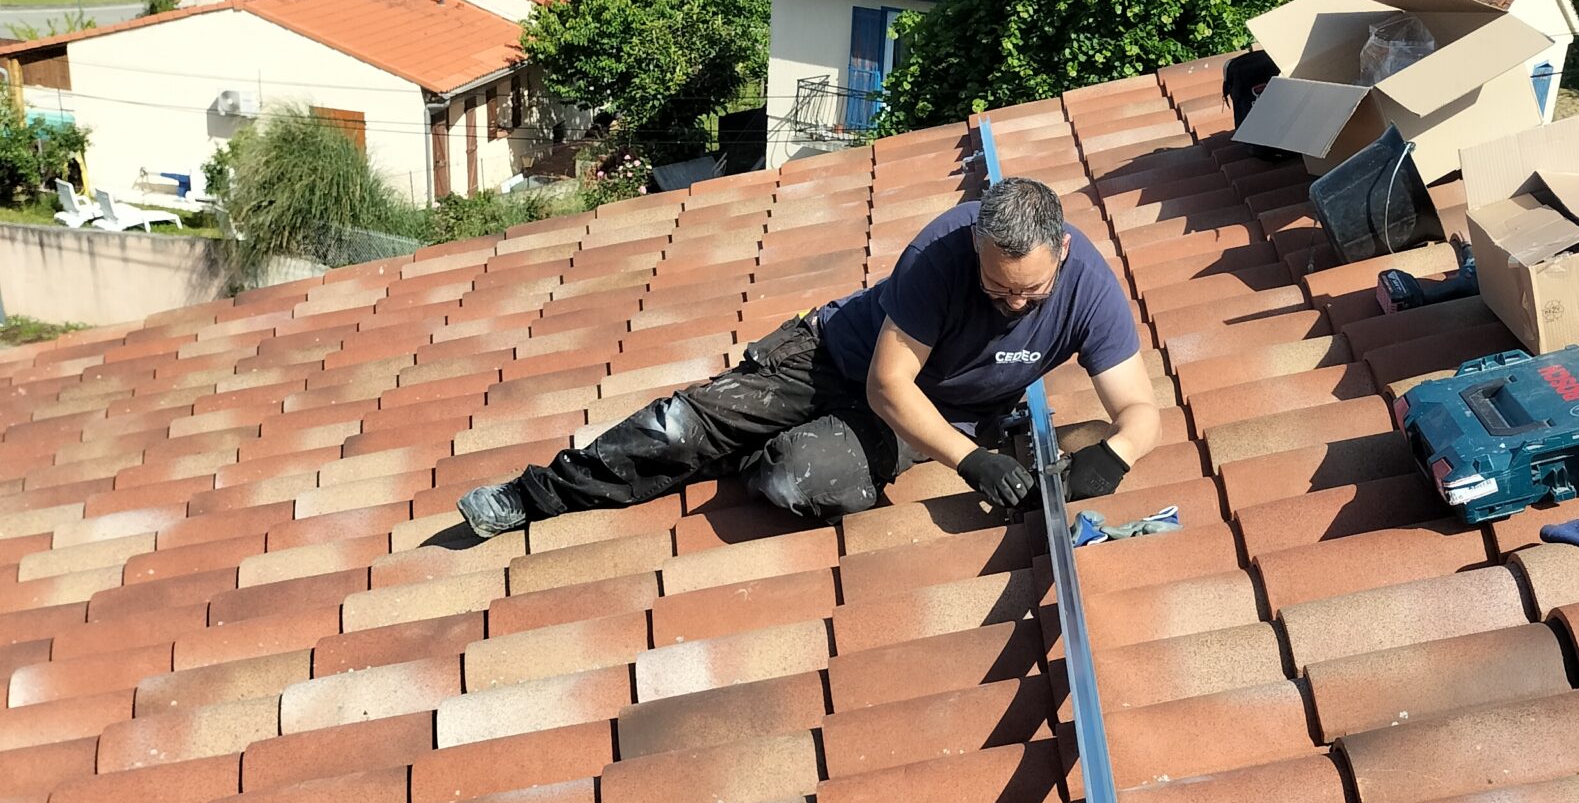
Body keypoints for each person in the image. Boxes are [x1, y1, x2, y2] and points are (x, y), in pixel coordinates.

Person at [457, 173, 1160, 536]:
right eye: (997, 288)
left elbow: (1139, 410)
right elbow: (890, 383)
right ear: (976, 244)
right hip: (839, 361)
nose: (1011, 304)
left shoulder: (1089, 287)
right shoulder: (940, 254)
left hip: (923, 414)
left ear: (1061, 252)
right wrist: (971, 461)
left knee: (795, 481)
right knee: (684, 428)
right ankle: (531, 496)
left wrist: (1116, 454)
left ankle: (754, 453)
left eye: (1028, 293)